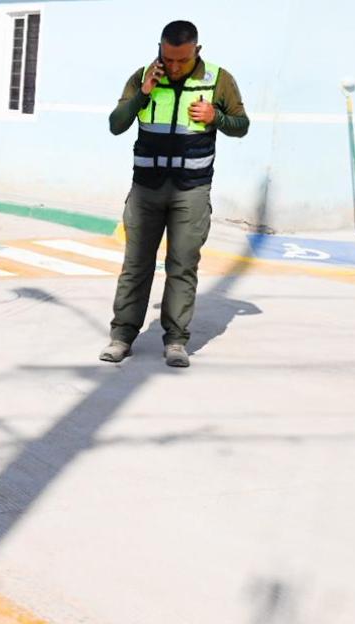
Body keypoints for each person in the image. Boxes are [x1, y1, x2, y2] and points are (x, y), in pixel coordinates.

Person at [99, 20, 248, 368]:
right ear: (160, 49)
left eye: (183, 59)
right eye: (169, 58)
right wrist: (143, 94)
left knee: (183, 266)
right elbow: (116, 124)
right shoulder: (143, 77)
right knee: (135, 266)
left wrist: (218, 118)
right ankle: (122, 336)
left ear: (197, 50)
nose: (176, 66)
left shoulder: (218, 79)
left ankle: (176, 340)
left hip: (191, 192)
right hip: (145, 191)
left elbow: (242, 125)